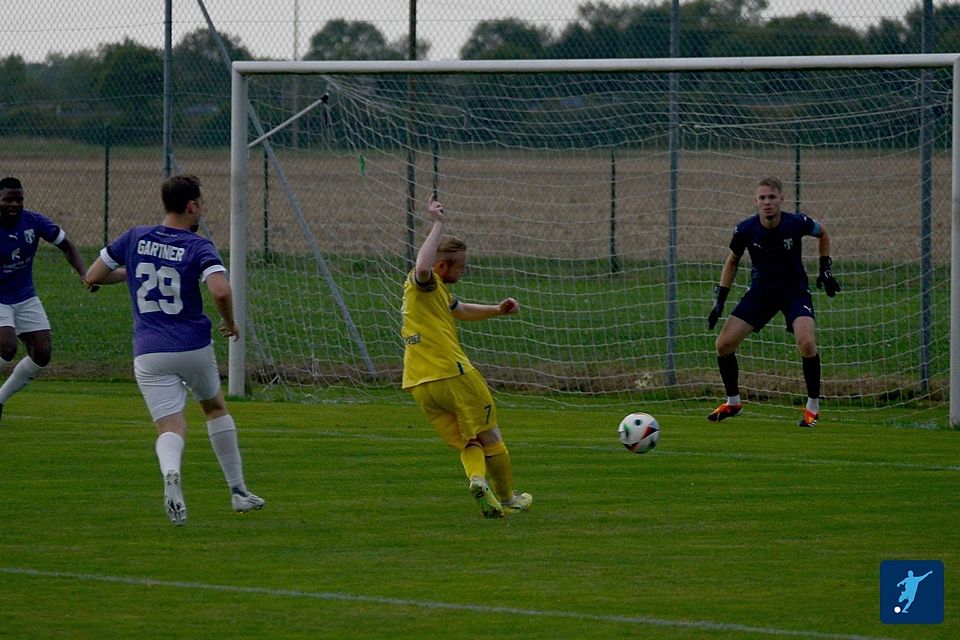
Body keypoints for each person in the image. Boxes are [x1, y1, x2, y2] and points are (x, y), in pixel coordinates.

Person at [83, 174, 263, 526]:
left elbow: (93, 276)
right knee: (213, 407)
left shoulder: (134, 236)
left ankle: (171, 473)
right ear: (191, 205)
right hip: (192, 346)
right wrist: (231, 322)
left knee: (170, 425)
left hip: (149, 351)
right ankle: (239, 491)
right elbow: (221, 291)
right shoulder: (198, 245)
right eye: (202, 204)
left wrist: (129, 272)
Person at [402, 196, 532, 518]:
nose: (464, 271)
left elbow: (460, 310)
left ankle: (477, 480)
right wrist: (438, 223)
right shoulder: (425, 283)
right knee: (492, 434)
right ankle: (508, 499)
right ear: (442, 266)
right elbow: (422, 266)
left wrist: (498, 310)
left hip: (419, 384)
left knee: (468, 441)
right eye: (460, 267)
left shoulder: (436, 294)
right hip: (454, 375)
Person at [706, 176, 840, 428]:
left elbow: (823, 233)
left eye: (772, 197)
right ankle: (733, 402)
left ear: (781, 199)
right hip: (761, 293)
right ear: (756, 201)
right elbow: (732, 261)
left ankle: (813, 407)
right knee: (723, 345)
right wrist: (720, 300)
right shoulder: (745, 230)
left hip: (794, 291)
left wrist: (825, 269)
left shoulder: (796, 223)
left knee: (807, 342)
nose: (767, 202)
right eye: (762, 198)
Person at [0, 176, 93, 423]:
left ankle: (0, 398)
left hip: (25, 296)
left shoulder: (34, 222)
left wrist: (84, 274)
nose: (14, 204)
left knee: (42, 353)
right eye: (8, 199)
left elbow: (68, 246)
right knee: (6, 347)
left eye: (19, 199)